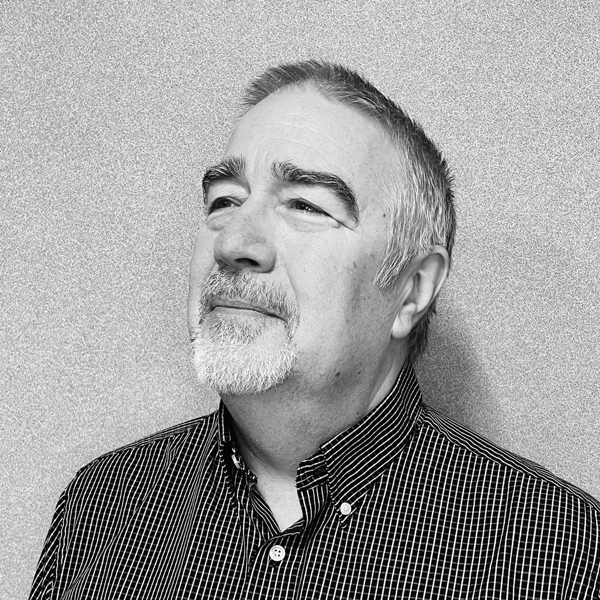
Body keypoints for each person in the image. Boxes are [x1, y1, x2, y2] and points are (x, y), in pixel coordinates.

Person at [30, 60, 599, 599]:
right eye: (224, 200)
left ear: (412, 289)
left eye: (305, 205)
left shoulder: (564, 553)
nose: (233, 242)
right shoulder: (98, 510)